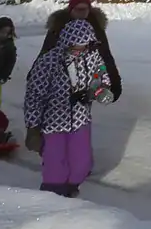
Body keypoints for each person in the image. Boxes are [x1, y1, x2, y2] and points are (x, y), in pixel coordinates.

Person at [22, 17, 102, 197]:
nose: (80, 52)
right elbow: (34, 95)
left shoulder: (92, 57)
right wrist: (33, 126)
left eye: (84, 47)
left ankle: (72, 185)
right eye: (76, 48)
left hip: (80, 119)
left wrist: (97, 90)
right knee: (55, 163)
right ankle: (53, 193)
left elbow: (100, 77)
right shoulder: (49, 61)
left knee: (81, 162)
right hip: (53, 122)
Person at [40, 0, 122, 102]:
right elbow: (46, 50)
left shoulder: (95, 26)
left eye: (85, 9)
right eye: (78, 10)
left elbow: (105, 54)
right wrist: (37, 74)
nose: (82, 13)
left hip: (86, 78)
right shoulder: (59, 25)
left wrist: (115, 82)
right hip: (61, 78)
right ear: (71, 9)